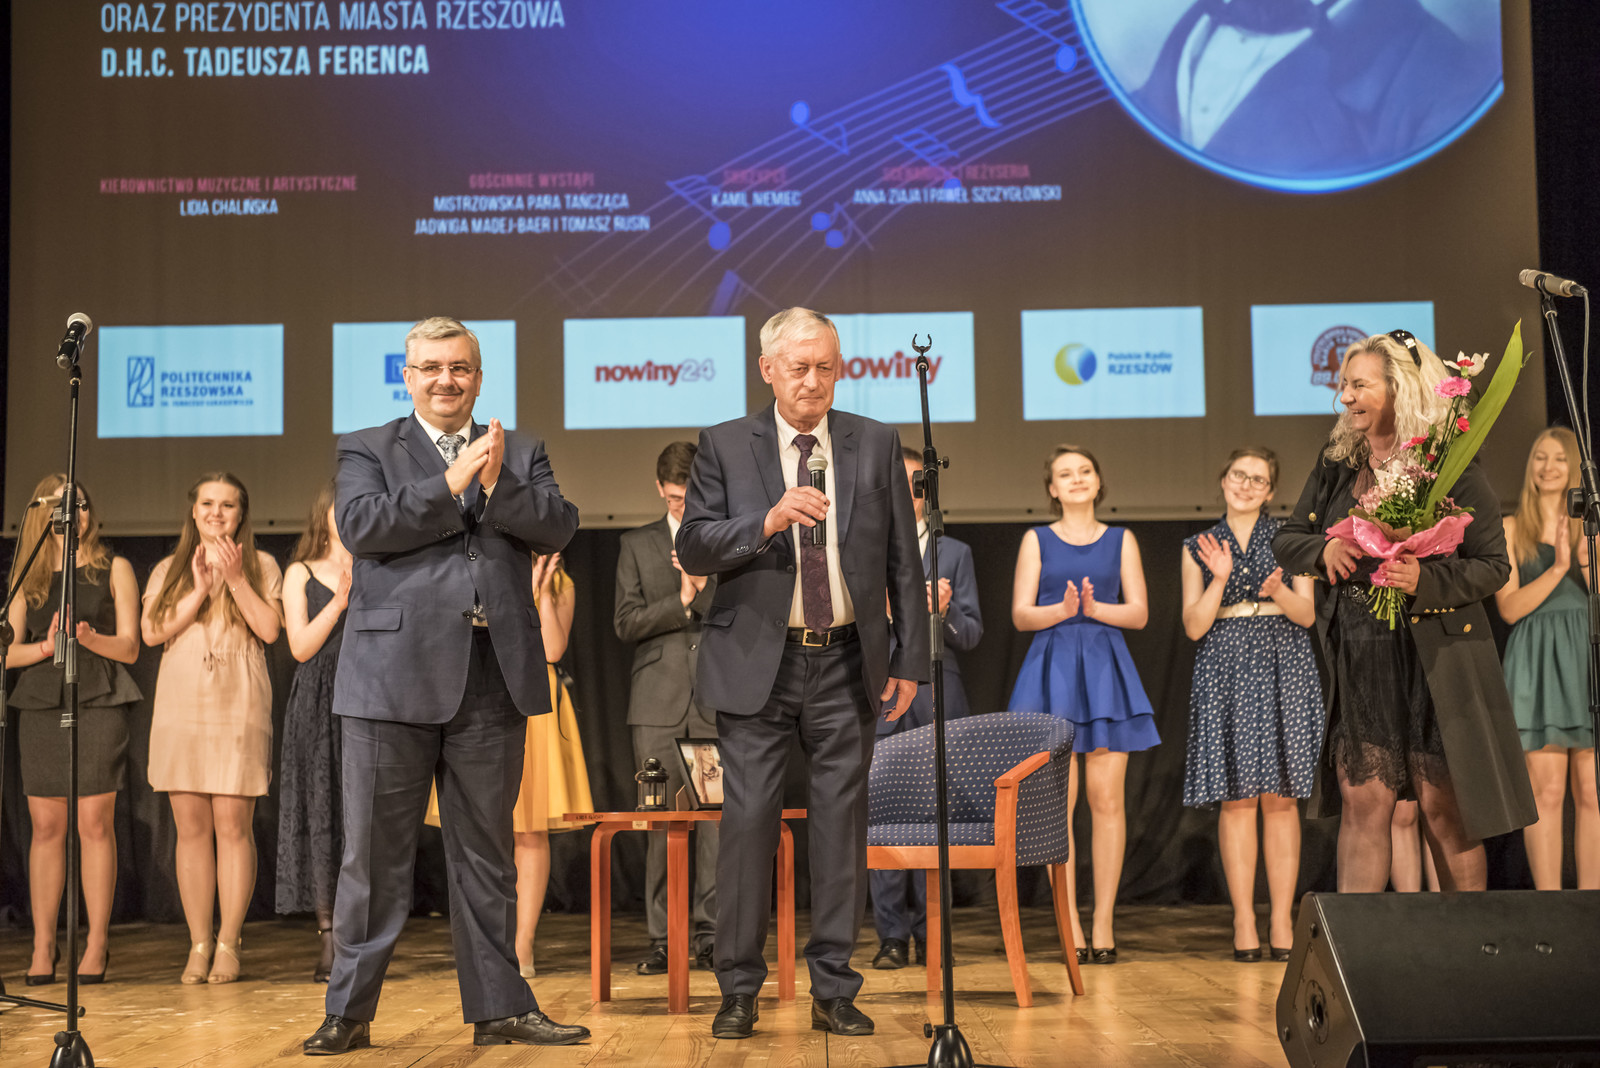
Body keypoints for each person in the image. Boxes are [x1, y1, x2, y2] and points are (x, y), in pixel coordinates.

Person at [303, 316, 587, 1054]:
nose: (445, 380)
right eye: (430, 368)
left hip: (491, 677)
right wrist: (451, 483)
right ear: (408, 377)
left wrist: (496, 486)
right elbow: (362, 527)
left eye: (459, 368)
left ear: (479, 378)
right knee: (373, 859)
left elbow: (559, 526)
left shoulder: (519, 450)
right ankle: (348, 1013)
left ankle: (501, 1008)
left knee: (488, 857)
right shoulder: (367, 446)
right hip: (389, 682)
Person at [676, 306, 927, 1040]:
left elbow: (902, 561)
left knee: (841, 829)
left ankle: (834, 988)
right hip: (760, 662)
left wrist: (910, 658)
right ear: (768, 370)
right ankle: (739, 989)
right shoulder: (725, 444)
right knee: (748, 825)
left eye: (825, 367)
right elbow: (694, 546)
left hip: (848, 659)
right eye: (798, 367)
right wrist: (767, 520)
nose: (813, 380)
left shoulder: (873, 441)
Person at [1272, 331, 1535, 892]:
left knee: (1442, 808)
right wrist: (1323, 551)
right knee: (1364, 802)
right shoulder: (1338, 463)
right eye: (1344, 385)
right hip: (1363, 654)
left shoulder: (1450, 462)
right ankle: (1356, 945)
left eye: (1359, 385)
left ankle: (1467, 939)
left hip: (1436, 659)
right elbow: (1289, 539)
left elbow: (1493, 565)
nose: (1345, 396)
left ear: (1400, 389)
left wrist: (1424, 580)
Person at [1008, 446, 1157, 964]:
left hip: (1105, 672)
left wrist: (1096, 609)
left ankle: (1103, 922)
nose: (1076, 479)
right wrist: (1064, 609)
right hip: (1052, 672)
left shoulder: (1121, 539)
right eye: (1065, 474)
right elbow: (1021, 615)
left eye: (1085, 471)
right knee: (1060, 807)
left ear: (1098, 481)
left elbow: (1139, 613)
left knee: (1108, 801)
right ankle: (1068, 920)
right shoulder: (1037, 539)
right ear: (1052, 488)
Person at [424, 550, 594, 978]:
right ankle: (485, 943)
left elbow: (552, 649)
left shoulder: (561, 584)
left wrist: (539, 592)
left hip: (535, 702)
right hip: (483, 694)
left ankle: (523, 943)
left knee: (530, 832)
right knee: (482, 828)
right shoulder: (476, 570)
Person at [141, 472, 283, 984]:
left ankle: (229, 941)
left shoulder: (262, 565)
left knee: (232, 826)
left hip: (237, 702)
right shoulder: (169, 569)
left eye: (227, 505)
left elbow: (270, 630)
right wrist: (199, 588)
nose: (216, 513)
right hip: (183, 704)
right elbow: (151, 632)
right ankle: (199, 942)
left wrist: (235, 578)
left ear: (241, 514)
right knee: (192, 830)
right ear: (193, 510)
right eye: (207, 503)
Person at [1180, 447, 1319, 962]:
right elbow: (1194, 626)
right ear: (1223, 480)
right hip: (1225, 665)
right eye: (1239, 474)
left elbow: (1306, 615)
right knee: (1236, 799)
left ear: (1271, 491)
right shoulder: (1198, 545)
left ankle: (1281, 918)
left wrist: (1278, 591)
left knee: (1281, 798)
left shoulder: (1291, 539)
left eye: (1258, 479)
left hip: (1284, 661)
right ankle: (1243, 919)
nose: (1246, 484)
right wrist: (1219, 577)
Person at [6, 476, 141, 986]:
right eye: (64, 507)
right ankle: (43, 944)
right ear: (43, 515)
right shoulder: (30, 576)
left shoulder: (113, 568)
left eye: (81, 505)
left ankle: (97, 941)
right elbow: (7, 652)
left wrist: (88, 638)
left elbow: (130, 647)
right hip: (42, 700)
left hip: (99, 696)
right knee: (46, 827)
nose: (75, 515)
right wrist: (45, 647)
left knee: (94, 824)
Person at [870, 445, 983, 971]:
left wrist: (946, 610)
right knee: (884, 813)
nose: (909, 491)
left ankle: (934, 932)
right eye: (900, 480)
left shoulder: (952, 552)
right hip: (881, 690)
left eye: (917, 482)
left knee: (936, 815)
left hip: (938, 692)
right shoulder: (864, 547)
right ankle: (891, 935)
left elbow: (971, 633)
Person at [614, 441, 719, 975]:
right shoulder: (636, 544)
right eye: (675, 497)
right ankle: (663, 937)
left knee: (715, 821)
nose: (682, 505)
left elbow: (743, 613)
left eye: (690, 496)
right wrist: (680, 601)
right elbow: (625, 622)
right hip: (656, 701)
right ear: (659, 489)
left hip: (715, 699)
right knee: (658, 821)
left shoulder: (724, 538)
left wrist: (702, 590)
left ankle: (710, 933)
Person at [1495, 427, 1595, 889]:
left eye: (1558, 458)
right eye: (1540, 457)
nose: (1548, 467)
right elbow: (1510, 608)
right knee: (1547, 791)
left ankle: (1592, 903)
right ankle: (1551, 905)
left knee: (1591, 791)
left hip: (1583, 658)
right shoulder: (1511, 528)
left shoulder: (1592, 525)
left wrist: (1586, 562)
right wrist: (1558, 568)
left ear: (1574, 466)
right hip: (1536, 661)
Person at [275, 481, 352, 983]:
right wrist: (339, 601)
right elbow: (300, 647)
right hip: (318, 701)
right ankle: (328, 935)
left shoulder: (379, 564)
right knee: (321, 813)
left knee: (360, 818)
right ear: (324, 513)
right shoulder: (300, 572)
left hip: (366, 695)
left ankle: (360, 931)